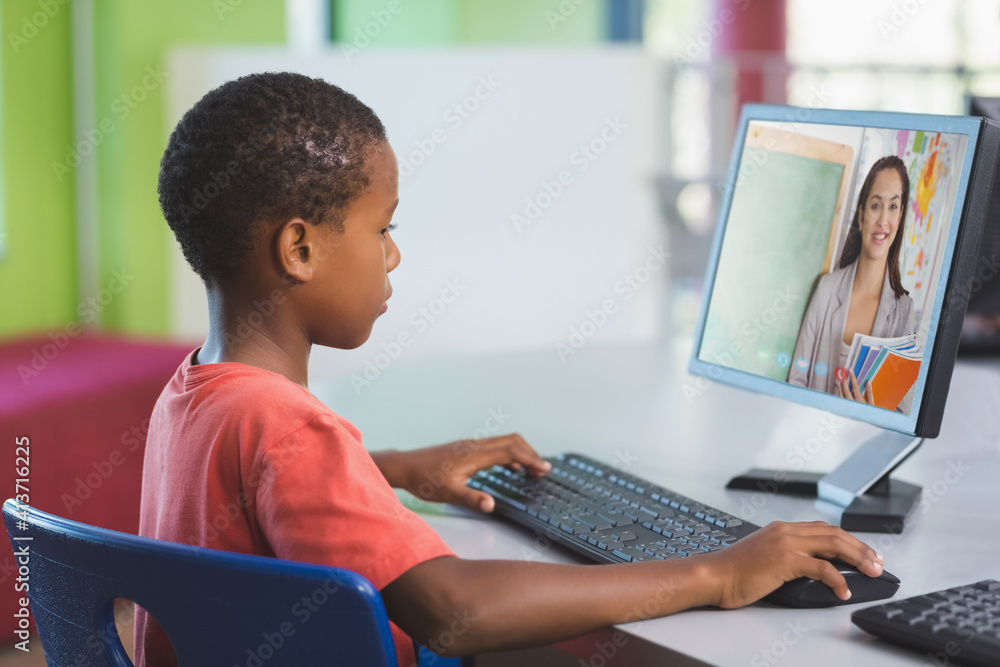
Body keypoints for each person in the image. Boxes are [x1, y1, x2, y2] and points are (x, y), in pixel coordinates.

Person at [137, 72, 887, 666]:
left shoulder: (193, 390)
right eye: (383, 227)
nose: (394, 253)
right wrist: (718, 571)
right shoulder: (292, 424)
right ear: (299, 249)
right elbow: (455, 610)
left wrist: (388, 468)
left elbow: (254, 482)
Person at [787, 155, 917, 405]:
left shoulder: (903, 311)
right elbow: (796, 380)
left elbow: (898, 409)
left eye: (893, 207)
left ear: (900, 218)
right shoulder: (826, 289)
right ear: (861, 216)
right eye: (876, 205)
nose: (882, 221)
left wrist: (870, 413)